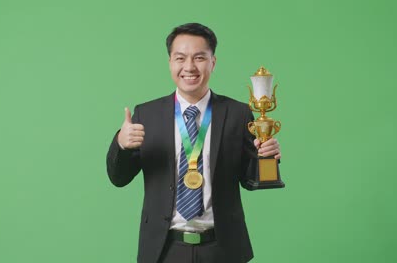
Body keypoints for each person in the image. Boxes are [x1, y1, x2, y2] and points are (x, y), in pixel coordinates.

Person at [106, 23, 281, 263]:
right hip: (164, 249)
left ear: (213, 62)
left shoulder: (238, 114)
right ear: (170, 62)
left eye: (199, 58)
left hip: (223, 248)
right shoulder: (147, 114)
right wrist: (121, 144)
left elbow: (251, 181)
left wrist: (267, 158)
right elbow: (118, 178)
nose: (189, 67)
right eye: (180, 58)